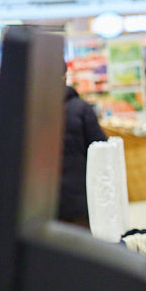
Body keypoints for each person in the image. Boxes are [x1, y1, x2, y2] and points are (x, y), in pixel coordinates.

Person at [60, 70, 108, 228]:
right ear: (65, 76)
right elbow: (101, 149)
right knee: (80, 248)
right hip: (80, 197)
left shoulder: (31, 111)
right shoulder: (82, 109)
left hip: (43, 202)